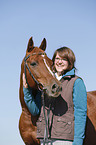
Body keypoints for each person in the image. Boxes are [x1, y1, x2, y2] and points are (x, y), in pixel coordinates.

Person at [23, 46, 87, 145]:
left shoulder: (76, 82)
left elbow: (80, 114)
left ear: (70, 62)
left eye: (64, 59)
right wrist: (26, 90)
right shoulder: (47, 83)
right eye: (57, 58)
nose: (60, 62)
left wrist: (78, 141)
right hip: (45, 139)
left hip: (64, 139)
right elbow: (35, 111)